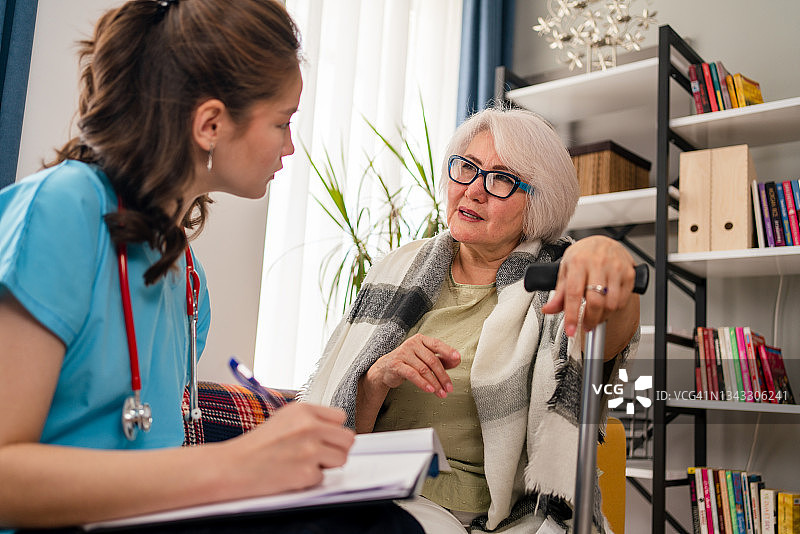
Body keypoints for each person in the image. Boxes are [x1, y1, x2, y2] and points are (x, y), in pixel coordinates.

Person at [0, 1, 422, 533]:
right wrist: (236, 466)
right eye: (281, 122)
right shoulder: (62, 209)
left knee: (379, 522)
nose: (290, 146)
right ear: (211, 124)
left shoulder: (178, 263)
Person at [302, 106, 641, 533]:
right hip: (383, 494)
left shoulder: (557, 281)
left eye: (501, 179)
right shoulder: (396, 270)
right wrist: (376, 378)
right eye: (468, 168)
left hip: (502, 518)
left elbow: (608, 334)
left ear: (538, 203)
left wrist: (610, 266)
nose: (474, 191)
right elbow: (340, 428)